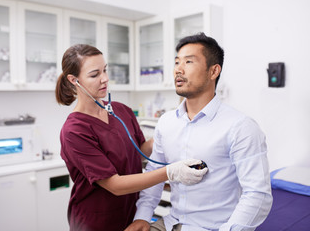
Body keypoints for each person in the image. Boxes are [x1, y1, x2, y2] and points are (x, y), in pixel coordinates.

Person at [125, 33, 273, 231]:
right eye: (177, 62)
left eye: (188, 62)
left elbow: (257, 195)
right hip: (170, 223)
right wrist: (142, 217)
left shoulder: (240, 127)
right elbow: (154, 174)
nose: (178, 69)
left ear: (213, 71)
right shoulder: (166, 123)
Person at [55, 44, 208, 231]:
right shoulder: (74, 131)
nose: (105, 79)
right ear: (74, 80)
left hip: (131, 214)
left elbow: (138, 152)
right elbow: (115, 185)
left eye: (105, 70)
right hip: (95, 221)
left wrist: (163, 132)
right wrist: (170, 172)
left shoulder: (121, 110)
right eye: (95, 75)